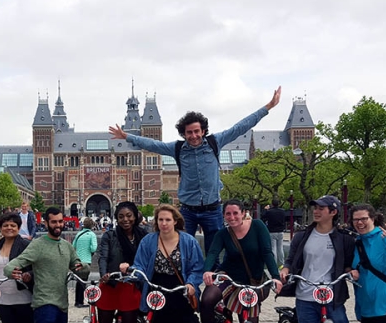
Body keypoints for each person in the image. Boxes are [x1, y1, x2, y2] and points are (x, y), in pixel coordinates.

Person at [109, 87, 282, 253]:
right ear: (183, 134)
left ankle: (212, 282)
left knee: (214, 250)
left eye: (196, 131)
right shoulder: (177, 149)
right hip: (188, 212)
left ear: (203, 131)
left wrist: (268, 107)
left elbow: (240, 127)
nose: (193, 136)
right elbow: (153, 144)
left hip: (213, 210)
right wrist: (126, 136)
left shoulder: (215, 142)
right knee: (182, 250)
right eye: (189, 132)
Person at [279, 195, 370, 323]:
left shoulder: (345, 238)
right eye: (315, 208)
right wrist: (285, 269)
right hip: (305, 296)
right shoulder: (302, 236)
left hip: (331, 297)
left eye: (322, 208)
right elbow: (291, 260)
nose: (317, 211)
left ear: (333, 212)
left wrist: (351, 272)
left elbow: (348, 263)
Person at [200, 200, 283, 323]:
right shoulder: (223, 233)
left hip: (253, 281)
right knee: (207, 299)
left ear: (243, 212)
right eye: (228, 214)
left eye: (235, 213)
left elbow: (267, 253)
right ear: (223, 215)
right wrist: (207, 271)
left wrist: (276, 277)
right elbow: (212, 253)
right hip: (229, 277)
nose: (232, 217)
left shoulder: (258, 226)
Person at [97, 202, 147, 323]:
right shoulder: (109, 236)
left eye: (129, 216)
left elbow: (147, 259)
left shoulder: (143, 235)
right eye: (121, 217)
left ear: (135, 216)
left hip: (130, 286)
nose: (125, 219)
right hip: (111, 284)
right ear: (116, 219)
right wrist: (104, 274)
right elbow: (103, 257)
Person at [72, 217, 97, 308]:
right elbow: (93, 248)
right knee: (83, 281)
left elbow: (73, 246)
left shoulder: (78, 234)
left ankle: (77, 301)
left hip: (77, 260)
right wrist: (89, 250)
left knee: (79, 281)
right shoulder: (91, 235)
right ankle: (80, 302)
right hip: (86, 261)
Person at [262, 201, 287, 268]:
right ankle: (282, 263)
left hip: (272, 231)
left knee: (273, 248)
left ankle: (274, 264)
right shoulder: (282, 211)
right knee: (280, 248)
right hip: (280, 231)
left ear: (272, 204)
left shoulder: (269, 212)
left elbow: (263, 217)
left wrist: (266, 209)